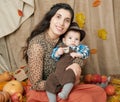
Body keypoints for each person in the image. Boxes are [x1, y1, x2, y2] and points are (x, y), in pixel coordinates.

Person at [23, 2, 106, 102]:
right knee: (85, 98)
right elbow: (36, 84)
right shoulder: (37, 45)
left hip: (65, 83)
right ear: (50, 18)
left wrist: (76, 65)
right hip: (45, 88)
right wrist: (62, 83)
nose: (61, 23)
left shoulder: (67, 38)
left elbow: (80, 55)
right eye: (58, 17)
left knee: (98, 91)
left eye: (66, 20)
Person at [46, 22, 90, 102]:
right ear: (64, 40)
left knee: (70, 74)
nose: (73, 41)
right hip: (58, 73)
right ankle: (52, 100)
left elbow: (86, 53)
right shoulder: (61, 47)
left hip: (68, 71)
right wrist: (58, 53)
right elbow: (53, 56)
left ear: (79, 41)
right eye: (70, 38)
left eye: (76, 39)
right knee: (50, 81)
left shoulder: (79, 49)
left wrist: (78, 54)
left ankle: (65, 92)